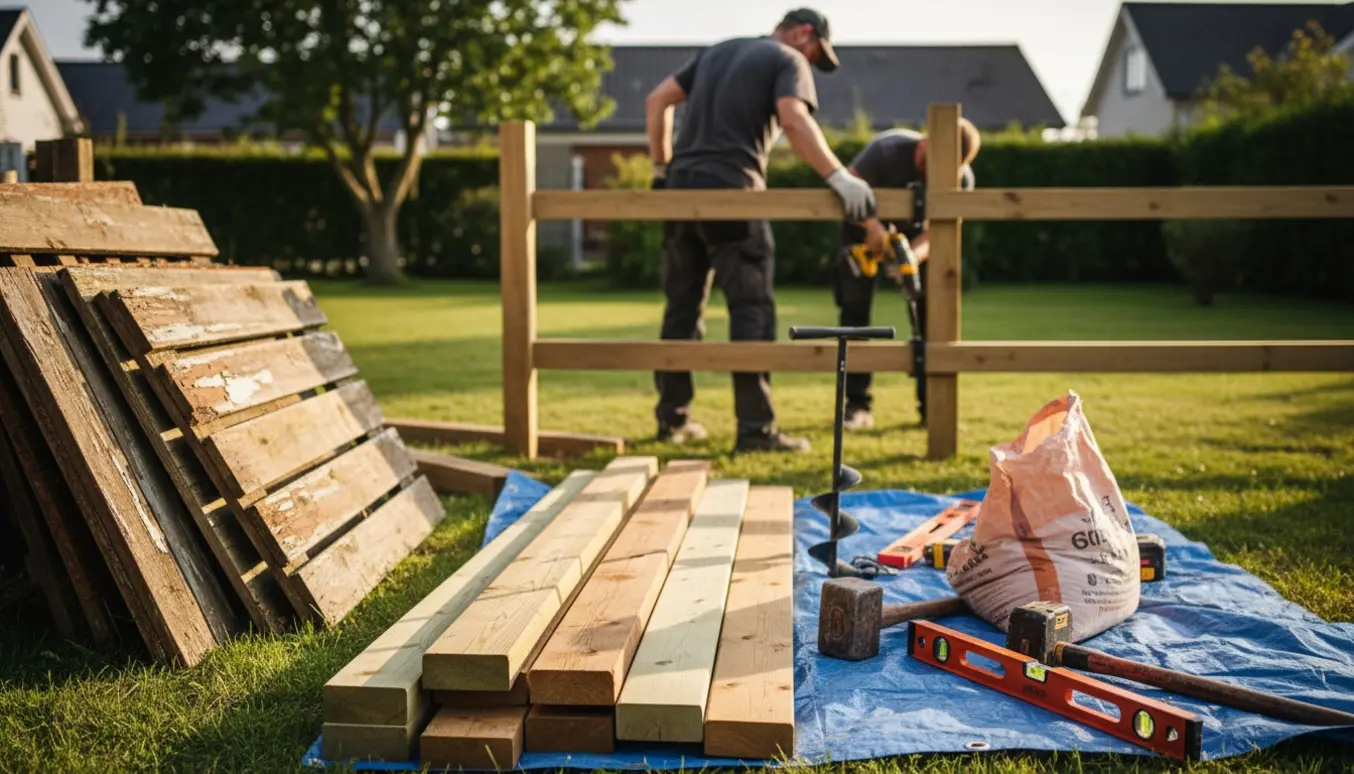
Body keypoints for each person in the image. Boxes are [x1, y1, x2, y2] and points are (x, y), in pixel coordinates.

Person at [644, 8, 877, 454]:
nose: (812, 62)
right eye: (815, 52)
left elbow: (657, 100)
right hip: (734, 191)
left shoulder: (716, 53)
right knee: (751, 308)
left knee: (681, 307)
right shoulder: (787, 60)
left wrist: (661, 169)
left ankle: (671, 421)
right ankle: (755, 431)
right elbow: (793, 119)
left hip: (680, 192)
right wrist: (838, 177)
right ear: (804, 34)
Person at [833, 122, 982, 430]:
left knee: (932, 319)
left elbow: (936, 233)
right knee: (855, 315)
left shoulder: (961, 178)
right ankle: (857, 405)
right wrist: (874, 229)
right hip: (862, 227)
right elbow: (847, 186)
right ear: (925, 145)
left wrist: (909, 257)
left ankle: (932, 410)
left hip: (917, 241)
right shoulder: (886, 150)